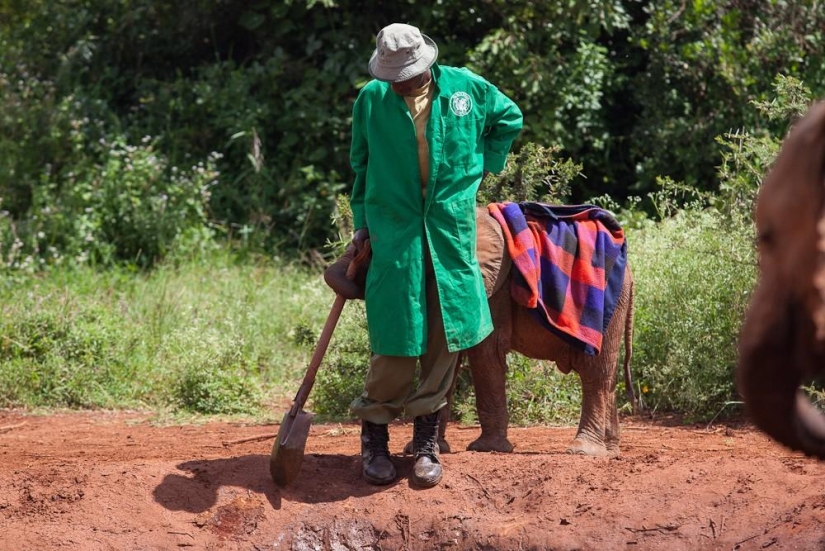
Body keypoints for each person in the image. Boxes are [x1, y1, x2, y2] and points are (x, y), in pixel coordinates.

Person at [348, 22, 523, 488]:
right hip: (394, 232)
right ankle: (375, 439)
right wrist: (362, 224)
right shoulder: (371, 100)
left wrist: (481, 166)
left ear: (426, 63)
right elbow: (361, 166)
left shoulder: (467, 88)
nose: (401, 82)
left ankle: (426, 442)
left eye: (407, 74)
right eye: (393, 76)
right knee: (396, 340)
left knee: (446, 335)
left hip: (448, 229)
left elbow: (510, 119)